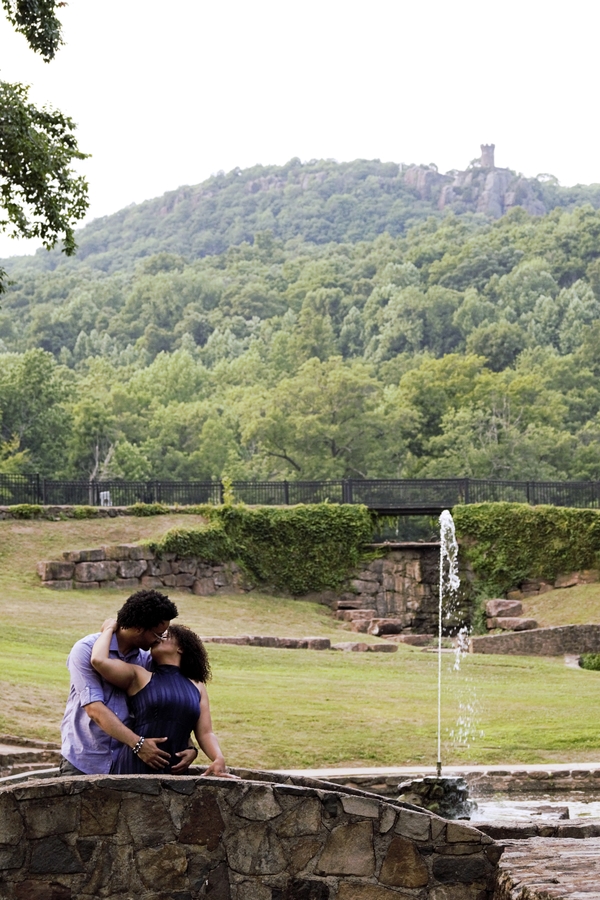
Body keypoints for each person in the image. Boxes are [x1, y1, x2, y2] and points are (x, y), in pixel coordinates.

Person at [60, 589, 197, 776]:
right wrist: (138, 744)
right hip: (85, 762)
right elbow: (94, 709)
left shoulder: (148, 659)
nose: (159, 640)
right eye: (157, 635)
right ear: (139, 628)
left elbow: (164, 705)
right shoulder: (85, 650)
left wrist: (190, 746)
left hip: (127, 763)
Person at [91, 618, 232, 776]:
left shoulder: (197, 686)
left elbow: (205, 733)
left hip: (176, 770)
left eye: (164, 636)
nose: (157, 639)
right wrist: (108, 628)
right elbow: (99, 660)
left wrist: (217, 757)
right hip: (136, 764)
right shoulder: (139, 675)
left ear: (181, 648)